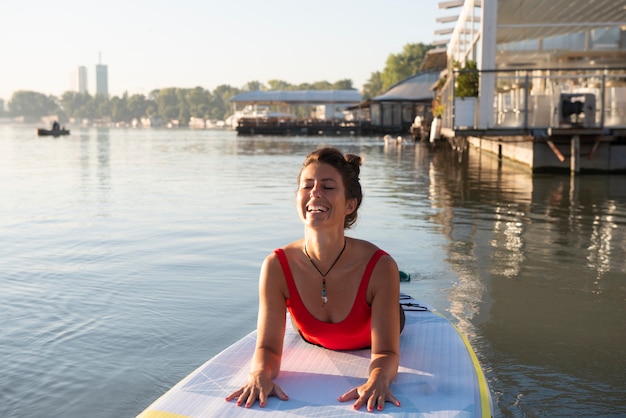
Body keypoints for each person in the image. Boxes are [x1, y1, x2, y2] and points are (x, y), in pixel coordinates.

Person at [225, 147, 403, 412]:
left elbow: (386, 353)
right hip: (311, 335)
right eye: (307, 185)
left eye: (328, 187)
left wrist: (377, 379)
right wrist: (259, 373)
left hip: (374, 330)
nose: (315, 192)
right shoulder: (276, 266)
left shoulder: (380, 267)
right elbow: (267, 347)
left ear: (350, 204)